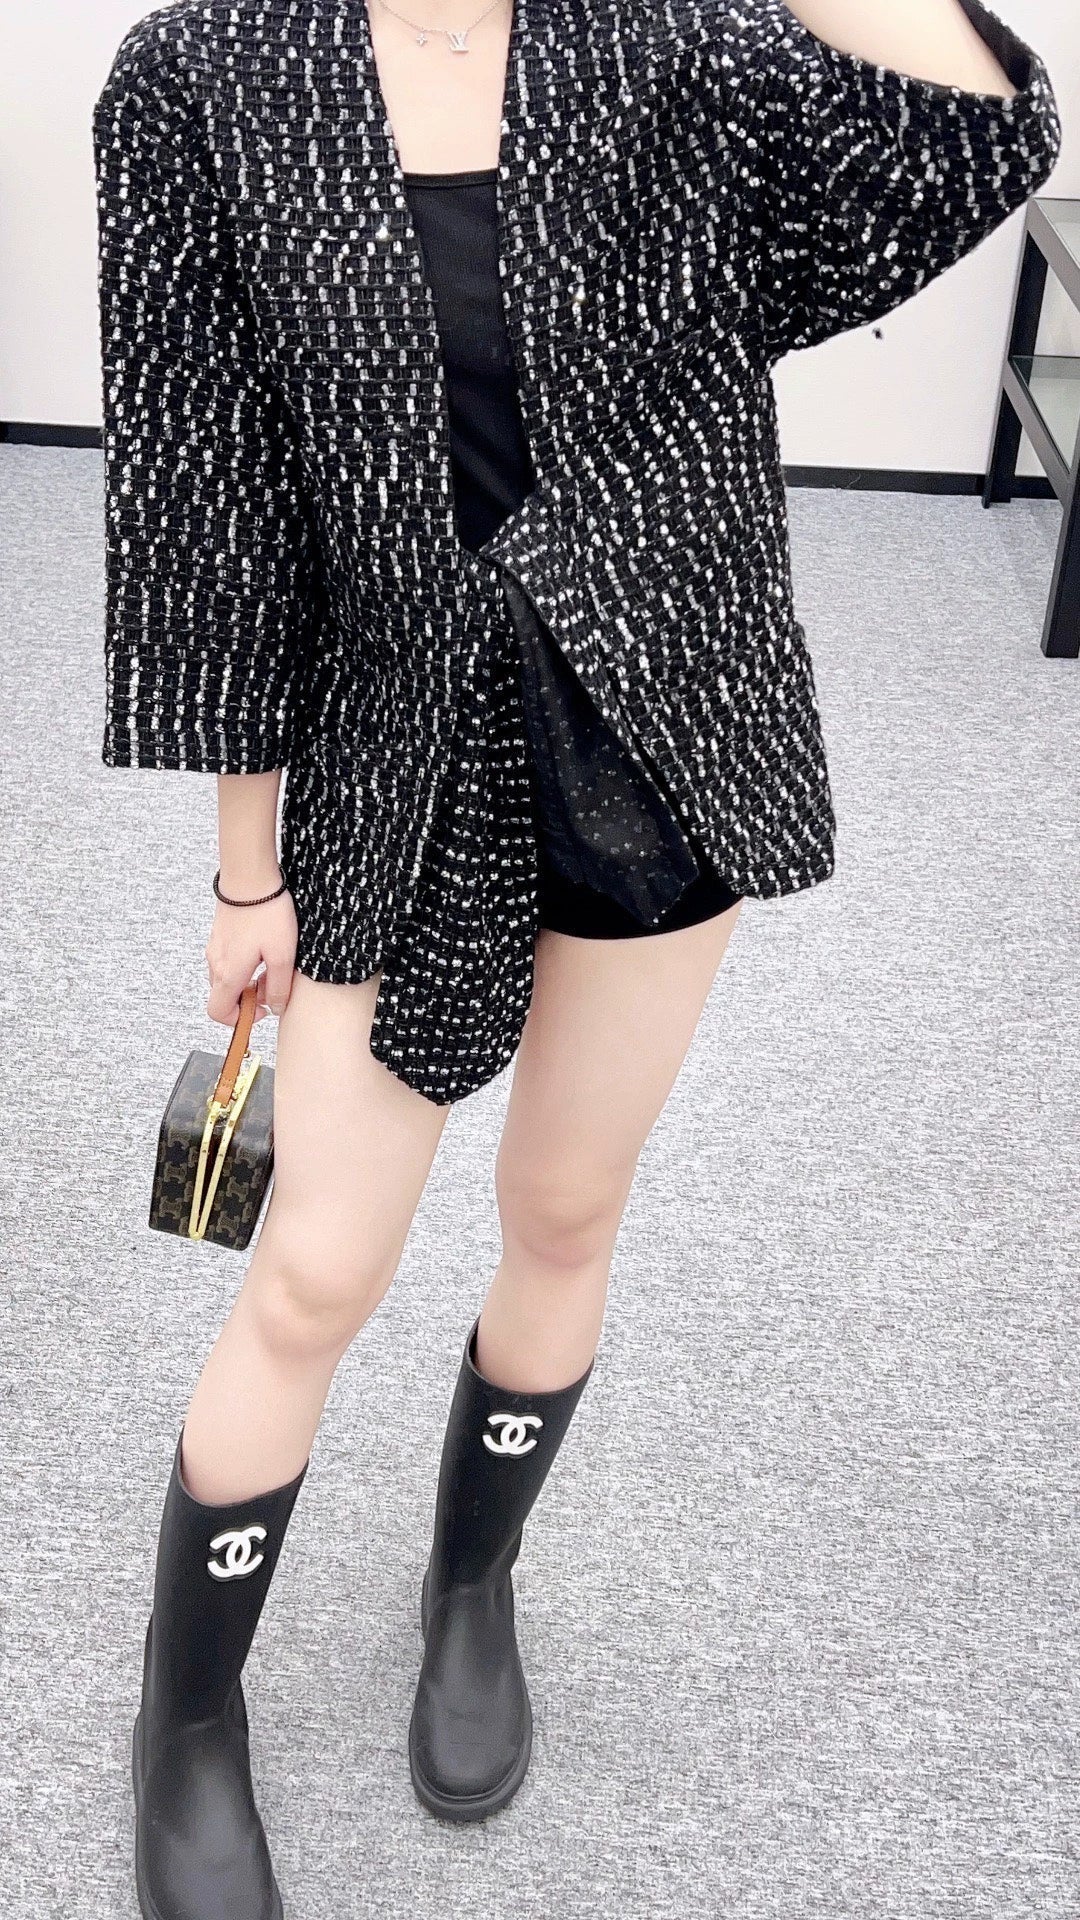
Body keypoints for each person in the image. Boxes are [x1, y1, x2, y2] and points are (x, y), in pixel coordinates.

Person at [91, 1, 1061, 1914]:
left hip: (666, 723)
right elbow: (209, 509)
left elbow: (970, 138)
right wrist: (244, 871)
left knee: (563, 1207)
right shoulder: (201, 75)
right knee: (314, 1270)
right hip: (398, 746)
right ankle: (184, 1718)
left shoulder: (672, 44)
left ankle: (474, 1582)